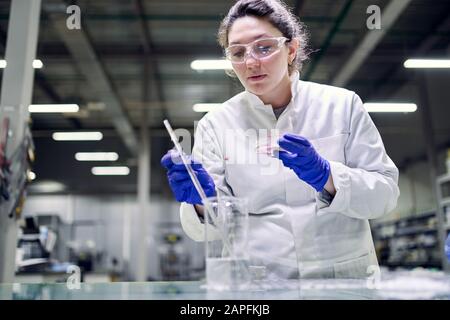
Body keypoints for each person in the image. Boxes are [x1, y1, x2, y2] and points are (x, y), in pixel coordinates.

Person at [161, 0, 399, 279]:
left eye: (264, 47)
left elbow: (385, 196)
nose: (250, 62)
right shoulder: (216, 124)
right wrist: (202, 202)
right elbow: (208, 230)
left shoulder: (342, 105)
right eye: (238, 52)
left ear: (292, 49)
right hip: (258, 284)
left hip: (342, 281)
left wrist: (328, 177)